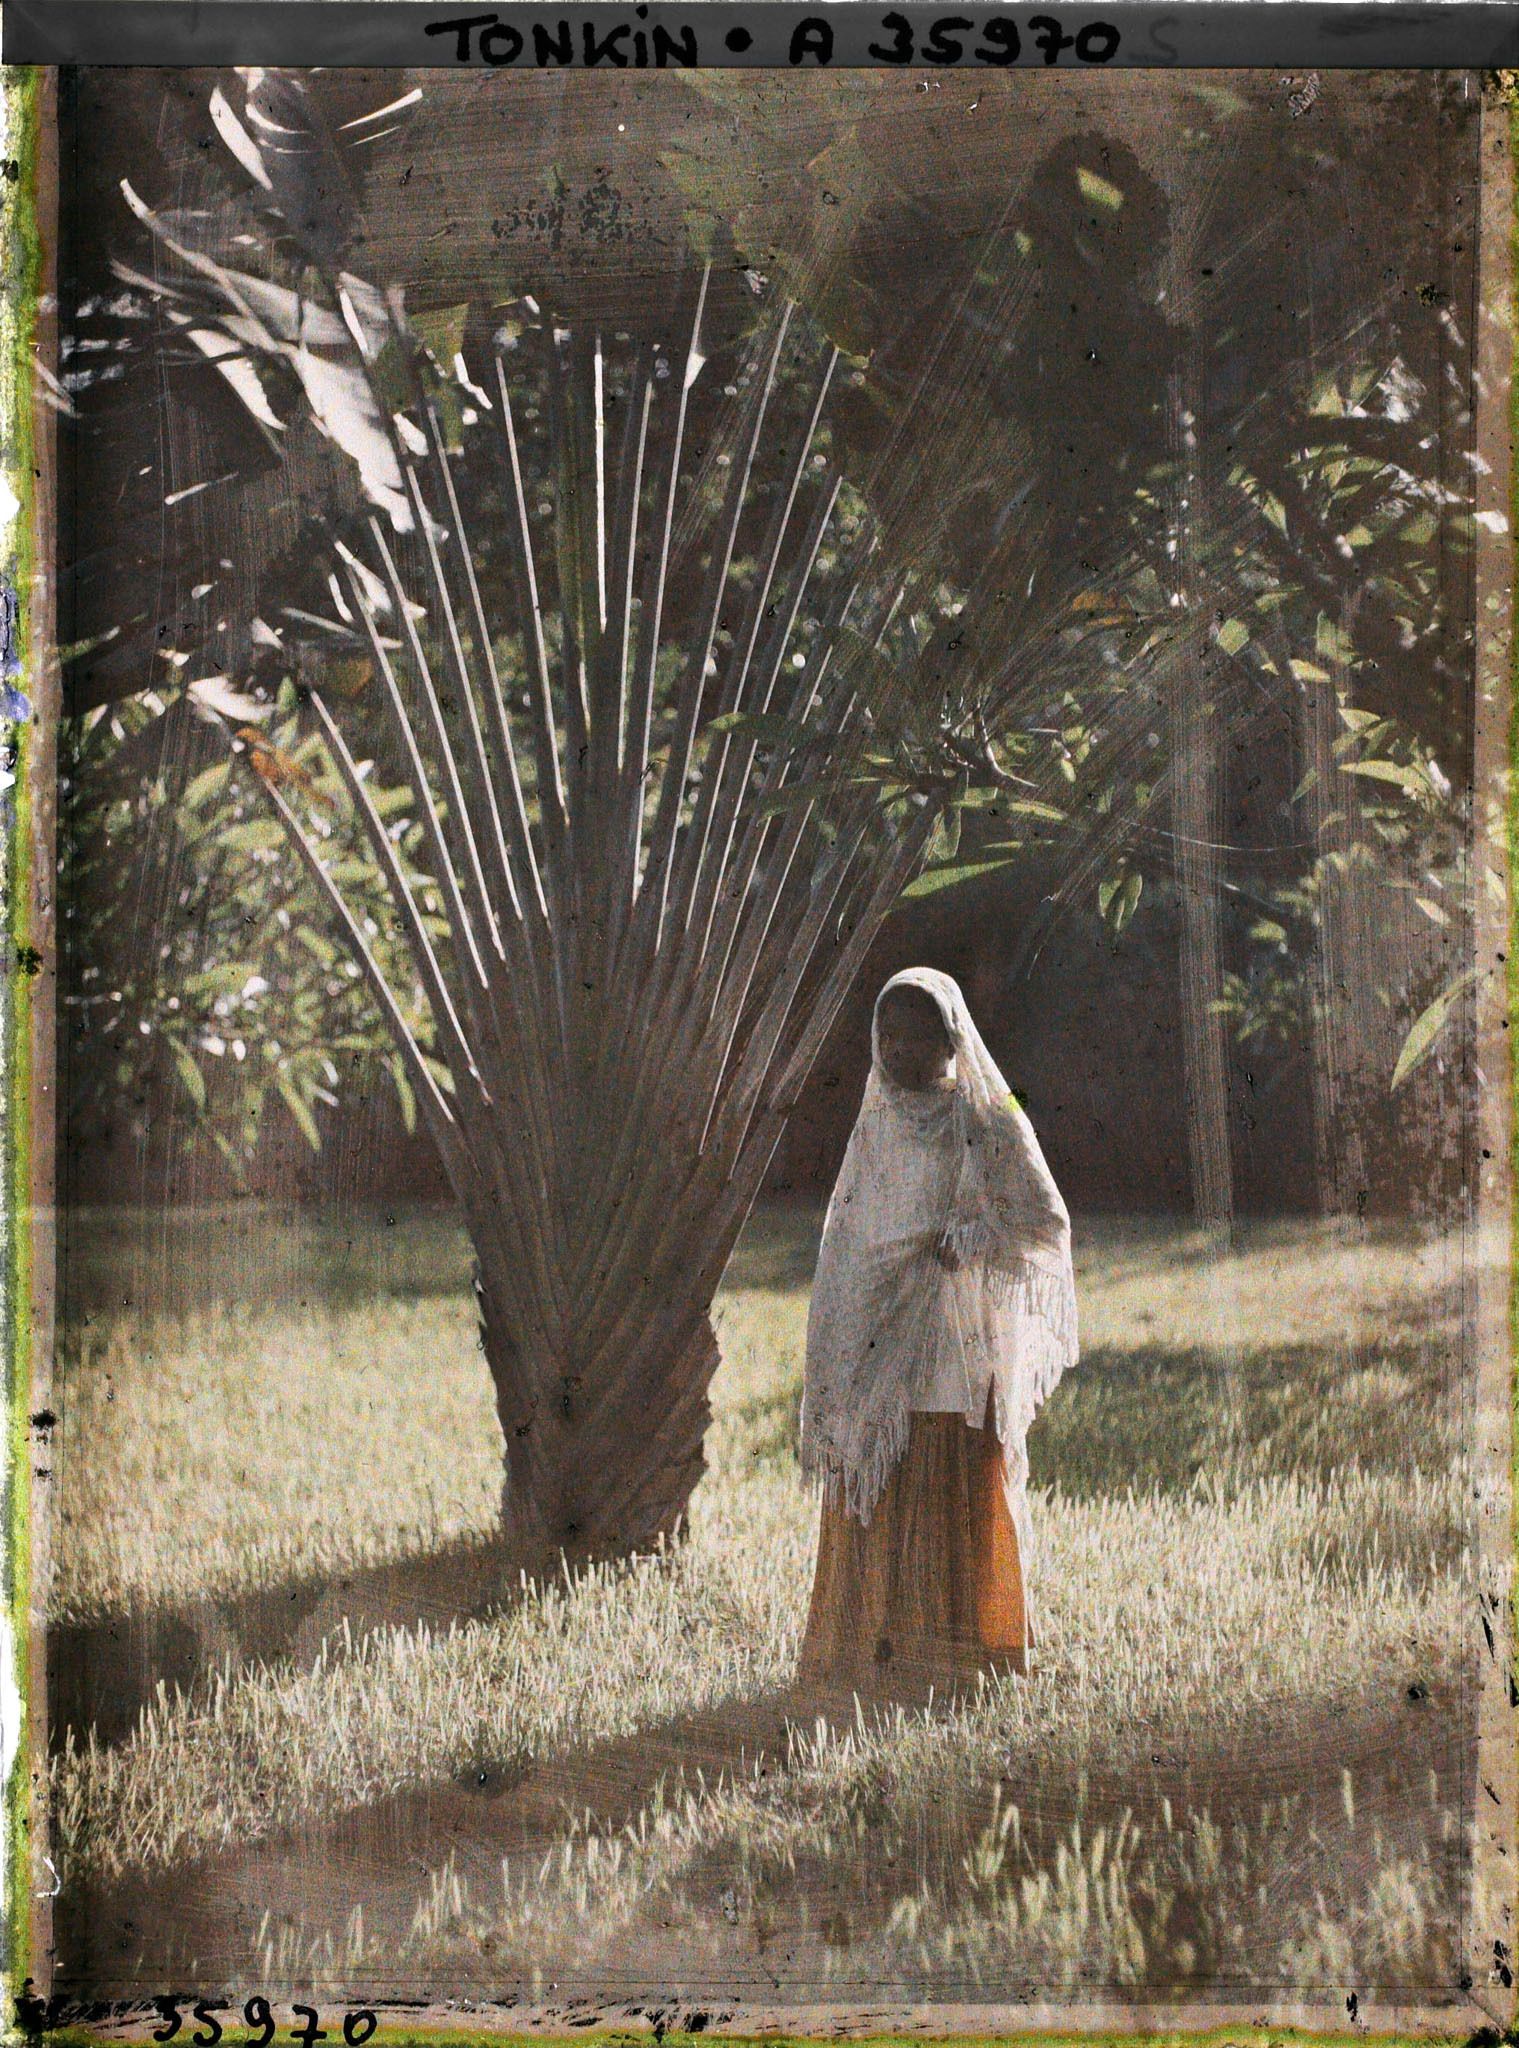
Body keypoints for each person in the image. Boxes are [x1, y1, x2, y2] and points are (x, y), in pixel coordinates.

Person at [797, 966, 1077, 1701]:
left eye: (918, 1036)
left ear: (952, 1039)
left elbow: (1044, 1221)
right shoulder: (875, 1125)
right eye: (887, 1035)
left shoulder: (989, 1119)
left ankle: (963, 1659)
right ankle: (868, 1656)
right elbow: (850, 1242)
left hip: (954, 1349)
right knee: (877, 1479)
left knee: (949, 1478)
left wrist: (979, 1233)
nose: (898, 1051)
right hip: (879, 1349)